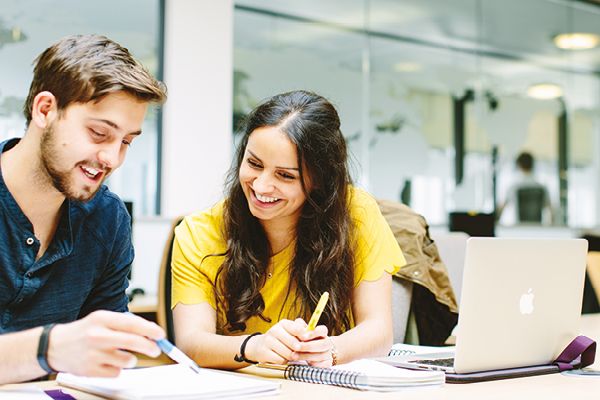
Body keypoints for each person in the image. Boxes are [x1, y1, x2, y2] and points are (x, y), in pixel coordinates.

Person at [171, 90, 406, 369]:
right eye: (254, 164)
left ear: (320, 179)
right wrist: (253, 346)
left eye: (285, 175)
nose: (260, 186)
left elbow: (379, 332)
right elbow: (191, 343)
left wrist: (328, 349)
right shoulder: (198, 233)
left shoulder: (356, 213)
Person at [0, 34, 167, 384]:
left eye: (126, 142)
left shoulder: (108, 220)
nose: (112, 159)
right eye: (99, 133)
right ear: (45, 110)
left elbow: (104, 357)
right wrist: (47, 349)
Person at [496, 151, 553, 224]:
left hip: (519, 229)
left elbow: (501, 209)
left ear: (519, 165)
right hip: (538, 229)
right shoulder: (542, 187)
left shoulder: (513, 187)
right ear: (533, 165)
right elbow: (551, 210)